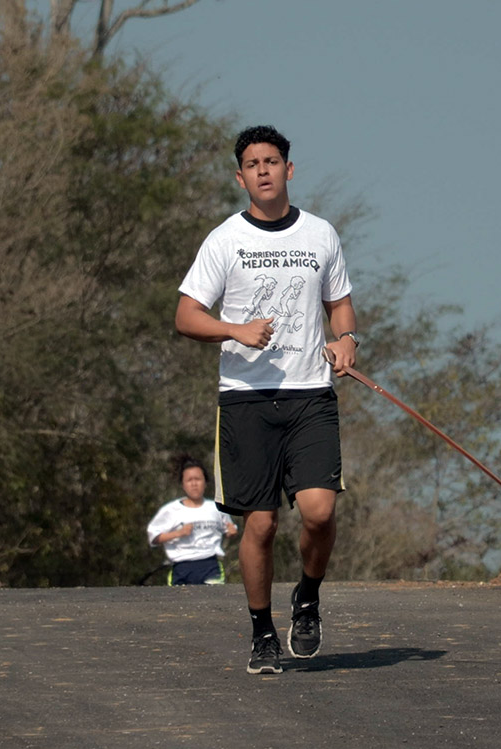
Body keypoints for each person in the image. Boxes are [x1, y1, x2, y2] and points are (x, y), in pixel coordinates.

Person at [174, 125, 358, 674]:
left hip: (310, 396)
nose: (263, 170)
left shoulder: (321, 234)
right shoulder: (224, 240)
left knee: (319, 513)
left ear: (289, 170)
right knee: (260, 525)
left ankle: (307, 597)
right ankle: (261, 632)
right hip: (247, 400)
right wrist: (234, 330)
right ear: (240, 177)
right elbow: (186, 316)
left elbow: (341, 305)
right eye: (252, 163)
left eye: (272, 161)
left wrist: (346, 340)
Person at [145, 456, 239, 585]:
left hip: (210, 565)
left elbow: (229, 529)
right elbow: (153, 537)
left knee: (212, 602)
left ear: (205, 482)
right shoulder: (171, 510)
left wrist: (231, 532)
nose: (194, 484)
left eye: (198, 479)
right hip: (181, 566)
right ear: (183, 485)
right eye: (189, 480)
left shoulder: (216, 508)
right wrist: (179, 533)